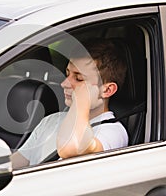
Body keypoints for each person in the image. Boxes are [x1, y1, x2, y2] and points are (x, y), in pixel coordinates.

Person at [10, 38, 128, 169]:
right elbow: (17, 162)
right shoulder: (51, 120)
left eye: (78, 78)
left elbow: (71, 148)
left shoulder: (112, 132)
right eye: (67, 74)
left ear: (107, 90)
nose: (64, 83)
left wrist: (81, 100)